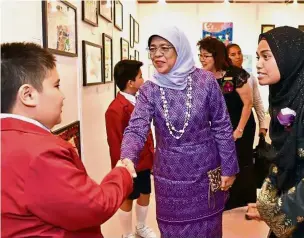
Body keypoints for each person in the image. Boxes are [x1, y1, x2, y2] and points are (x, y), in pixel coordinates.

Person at [1, 42, 134, 238]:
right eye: (56, 86)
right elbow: (95, 206)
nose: (63, 96)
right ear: (28, 95)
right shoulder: (40, 154)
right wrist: (122, 173)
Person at [120, 26, 239, 238]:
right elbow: (137, 128)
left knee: (208, 229)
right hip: (170, 177)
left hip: (205, 173)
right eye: (153, 48)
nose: (157, 54)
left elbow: (222, 125)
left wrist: (229, 167)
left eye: (165, 48)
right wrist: (127, 156)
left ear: (180, 49)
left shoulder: (206, 81)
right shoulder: (150, 89)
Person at [246, 26, 304, 238]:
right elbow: (282, 154)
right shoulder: (284, 98)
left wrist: (279, 212)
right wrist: (267, 196)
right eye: (258, 56)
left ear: (290, 58)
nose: (258, 64)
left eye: (266, 57)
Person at [197, 37, 256, 210]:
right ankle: (221, 198)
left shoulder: (236, 74)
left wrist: (239, 130)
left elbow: (248, 103)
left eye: (206, 55)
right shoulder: (203, 78)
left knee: (240, 161)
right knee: (218, 162)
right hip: (218, 129)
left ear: (217, 56)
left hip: (241, 126)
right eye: (200, 55)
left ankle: (241, 200)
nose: (202, 59)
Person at [105, 60, 156, 238]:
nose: (143, 80)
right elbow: (115, 142)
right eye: (140, 77)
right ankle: (127, 234)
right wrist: (121, 169)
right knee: (127, 198)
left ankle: (141, 226)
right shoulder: (115, 109)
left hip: (145, 160)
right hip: (129, 164)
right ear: (130, 82)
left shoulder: (140, 100)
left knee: (145, 193)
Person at [227, 43, 267, 136]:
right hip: (228, 122)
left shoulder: (249, 77)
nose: (238, 57)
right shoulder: (224, 77)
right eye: (233, 55)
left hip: (247, 123)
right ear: (226, 57)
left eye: (239, 53)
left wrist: (262, 125)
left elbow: (257, 100)